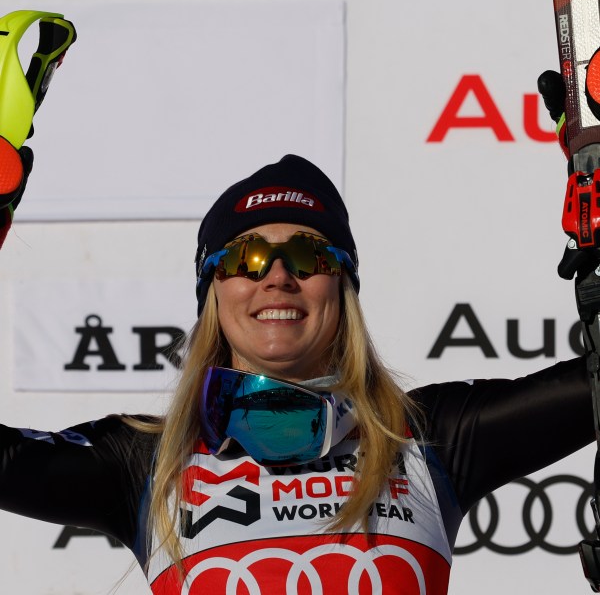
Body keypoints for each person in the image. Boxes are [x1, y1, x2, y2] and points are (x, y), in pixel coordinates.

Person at [0, 84, 594, 594]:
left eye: (307, 255)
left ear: (343, 287)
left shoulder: (427, 437)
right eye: (246, 257)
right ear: (212, 292)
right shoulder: (145, 462)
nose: (277, 276)